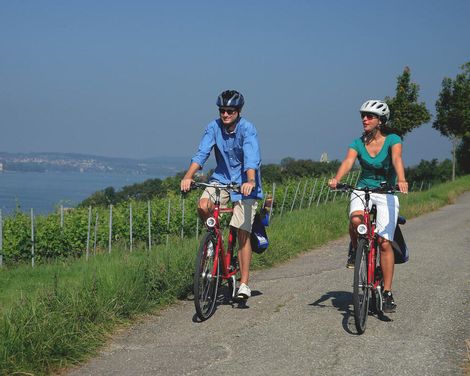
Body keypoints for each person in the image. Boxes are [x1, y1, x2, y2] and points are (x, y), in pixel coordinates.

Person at [180, 90, 263, 300]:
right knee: (203, 205)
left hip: (245, 183)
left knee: (242, 230)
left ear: (238, 111)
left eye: (230, 111)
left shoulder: (247, 129)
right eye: (222, 111)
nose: (225, 114)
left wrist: (250, 181)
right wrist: (188, 176)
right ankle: (213, 241)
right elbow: (202, 153)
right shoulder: (213, 127)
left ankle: (244, 283)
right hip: (221, 180)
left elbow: (252, 158)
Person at [328, 99, 408, 313]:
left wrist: (401, 178)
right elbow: (348, 161)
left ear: (380, 121)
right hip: (363, 189)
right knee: (355, 220)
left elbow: (397, 159)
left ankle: (388, 292)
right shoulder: (357, 142)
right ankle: (356, 249)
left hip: (386, 192)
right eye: (363, 115)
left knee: (383, 242)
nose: (365, 119)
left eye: (370, 116)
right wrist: (336, 178)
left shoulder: (393, 139)